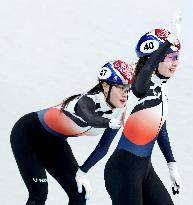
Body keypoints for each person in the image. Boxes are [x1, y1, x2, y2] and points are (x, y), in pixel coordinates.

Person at [10, 60, 134, 205]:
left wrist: (82, 171)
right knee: (38, 195)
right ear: (105, 86)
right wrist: (108, 123)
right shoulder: (85, 101)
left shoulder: (120, 111)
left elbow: (103, 148)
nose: (125, 94)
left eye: (128, 89)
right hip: (28, 134)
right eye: (121, 88)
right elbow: (91, 118)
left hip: (55, 142)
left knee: (79, 195)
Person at [104, 16, 182, 205]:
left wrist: (171, 165)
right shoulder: (138, 84)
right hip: (123, 169)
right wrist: (166, 44)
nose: (175, 62)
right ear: (153, 61)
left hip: (145, 168)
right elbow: (141, 83)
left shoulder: (162, 87)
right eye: (170, 57)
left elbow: (159, 126)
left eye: (177, 57)